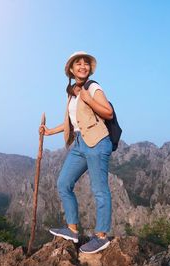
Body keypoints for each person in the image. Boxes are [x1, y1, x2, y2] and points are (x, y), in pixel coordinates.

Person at [39, 51, 114, 254]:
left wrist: (88, 99)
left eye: (85, 64)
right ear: (71, 70)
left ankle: (101, 236)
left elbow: (108, 112)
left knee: (99, 189)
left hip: (97, 142)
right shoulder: (72, 92)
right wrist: (50, 131)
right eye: (78, 64)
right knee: (63, 183)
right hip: (80, 144)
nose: (82, 66)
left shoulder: (92, 87)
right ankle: (72, 229)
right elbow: (73, 122)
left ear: (89, 69)